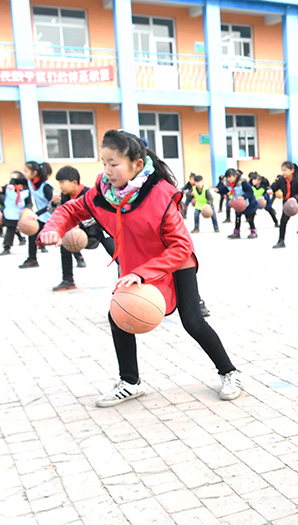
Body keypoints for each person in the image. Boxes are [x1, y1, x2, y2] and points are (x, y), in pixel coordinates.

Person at [39, 130, 242, 405]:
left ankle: (229, 372)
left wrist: (142, 273)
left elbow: (181, 246)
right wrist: (53, 227)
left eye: (114, 163)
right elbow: (72, 210)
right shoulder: (104, 192)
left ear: (136, 164)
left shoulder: (160, 197)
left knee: (193, 321)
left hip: (174, 261)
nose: (108, 170)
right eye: (104, 163)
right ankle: (130, 382)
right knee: (118, 317)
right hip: (136, 262)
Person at [51, 165, 115, 291]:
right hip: (78, 233)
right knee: (65, 246)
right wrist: (53, 203)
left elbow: (98, 214)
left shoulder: (89, 193)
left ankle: (126, 279)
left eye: (63, 182)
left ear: (74, 182)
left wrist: (78, 224)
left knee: (116, 252)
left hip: (99, 230)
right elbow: (56, 213)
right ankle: (68, 280)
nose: (60, 186)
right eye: (59, 183)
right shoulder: (64, 196)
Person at [17, 161, 55, 269]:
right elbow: (15, 180)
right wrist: (10, 184)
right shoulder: (30, 182)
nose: (24, 174)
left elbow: (52, 205)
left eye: (26, 171)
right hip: (42, 216)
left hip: (53, 216)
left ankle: (78, 257)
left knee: (68, 238)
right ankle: (32, 260)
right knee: (32, 234)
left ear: (34, 172)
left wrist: (36, 213)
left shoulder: (46, 186)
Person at [223, 168, 258, 239]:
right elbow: (224, 190)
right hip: (238, 204)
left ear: (235, 176)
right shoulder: (229, 184)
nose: (229, 179)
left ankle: (253, 231)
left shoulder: (243, 183)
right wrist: (218, 190)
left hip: (248, 203)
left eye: (230, 177)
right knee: (237, 217)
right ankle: (236, 233)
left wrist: (243, 197)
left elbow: (250, 192)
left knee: (249, 218)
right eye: (227, 177)